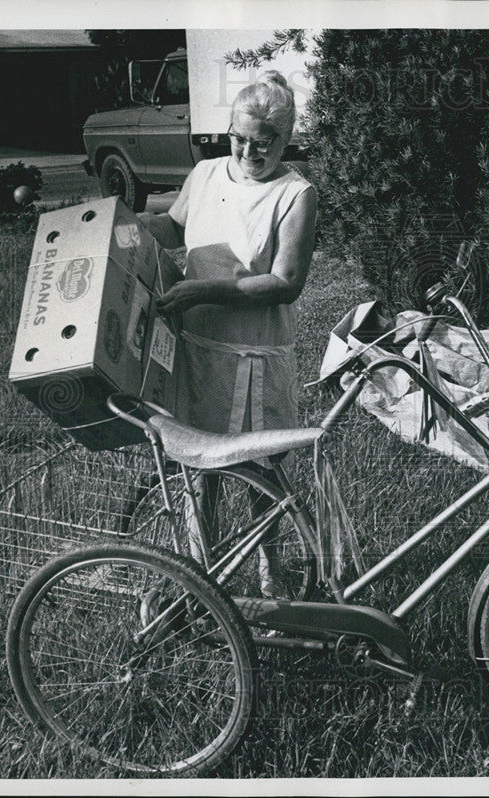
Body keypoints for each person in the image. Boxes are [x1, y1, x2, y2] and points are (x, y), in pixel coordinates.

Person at [139, 71, 317, 596]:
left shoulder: (295, 194)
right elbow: (173, 226)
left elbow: (286, 282)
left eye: (261, 144)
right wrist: (120, 224)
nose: (246, 151)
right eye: (237, 138)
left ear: (285, 141)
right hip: (199, 349)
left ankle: (269, 568)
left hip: (255, 357)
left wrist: (201, 292)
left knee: (262, 470)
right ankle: (203, 577)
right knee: (202, 469)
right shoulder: (208, 173)